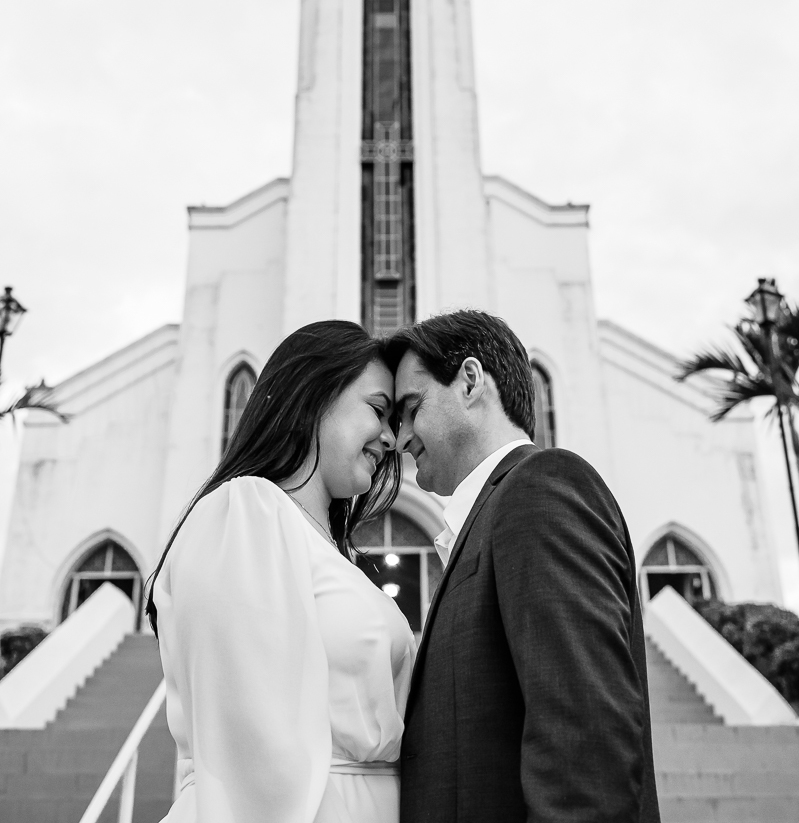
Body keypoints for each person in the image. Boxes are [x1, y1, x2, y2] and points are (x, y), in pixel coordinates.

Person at [386, 309, 660, 823]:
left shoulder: (541, 489)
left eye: (411, 409)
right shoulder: (490, 517)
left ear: (470, 382)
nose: (400, 438)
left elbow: (585, 748)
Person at [146, 320, 416, 823]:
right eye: (378, 410)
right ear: (315, 395)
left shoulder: (328, 550)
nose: (391, 438)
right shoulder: (244, 514)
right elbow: (253, 745)